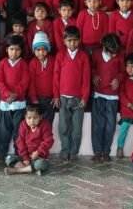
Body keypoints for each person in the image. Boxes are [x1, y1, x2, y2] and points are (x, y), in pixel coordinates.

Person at [53, 26, 90, 162]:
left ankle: (74, 151)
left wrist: (84, 97)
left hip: (78, 99)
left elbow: (86, 79)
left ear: (79, 40)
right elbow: (56, 77)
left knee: (77, 128)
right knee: (63, 127)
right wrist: (56, 95)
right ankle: (65, 149)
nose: (72, 43)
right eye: (69, 40)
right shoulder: (60, 56)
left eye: (75, 40)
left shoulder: (83, 56)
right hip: (63, 98)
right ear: (64, 41)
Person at [0, 35, 30, 161]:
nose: (14, 52)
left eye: (17, 49)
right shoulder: (2, 64)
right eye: (11, 49)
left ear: (21, 51)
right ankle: (1, 152)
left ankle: (19, 152)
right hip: (5, 104)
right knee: (2, 131)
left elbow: (24, 82)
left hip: (19, 105)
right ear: (6, 49)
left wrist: (15, 94)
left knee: (19, 131)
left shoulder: (24, 64)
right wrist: (7, 94)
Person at [90, 34, 124, 162]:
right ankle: (97, 152)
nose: (114, 55)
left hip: (112, 97)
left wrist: (118, 79)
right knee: (97, 126)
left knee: (110, 126)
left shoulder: (120, 56)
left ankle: (106, 151)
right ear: (104, 48)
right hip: (98, 95)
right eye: (112, 52)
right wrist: (94, 75)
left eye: (116, 52)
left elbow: (123, 72)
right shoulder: (96, 55)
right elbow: (92, 68)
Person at [4, 104, 55, 176]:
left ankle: (19, 170)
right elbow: (20, 142)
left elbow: (48, 140)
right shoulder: (23, 125)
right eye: (29, 118)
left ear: (41, 117)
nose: (32, 121)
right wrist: (25, 158)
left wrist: (38, 152)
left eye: (35, 118)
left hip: (39, 157)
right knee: (8, 158)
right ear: (25, 117)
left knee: (42, 163)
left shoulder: (45, 125)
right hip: (25, 157)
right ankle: (32, 169)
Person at [28, 31, 56, 123]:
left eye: (44, 49)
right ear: (34, 50)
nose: (41, 53)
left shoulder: (52, 61)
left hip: (50, 99)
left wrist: (56, 95)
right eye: (38, 50)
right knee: (37, 122)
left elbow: (56, 78)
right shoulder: (33, 63)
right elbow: (31, 82)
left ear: (48, 50)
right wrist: (33, 98)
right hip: (37, 98)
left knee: (48, 122)